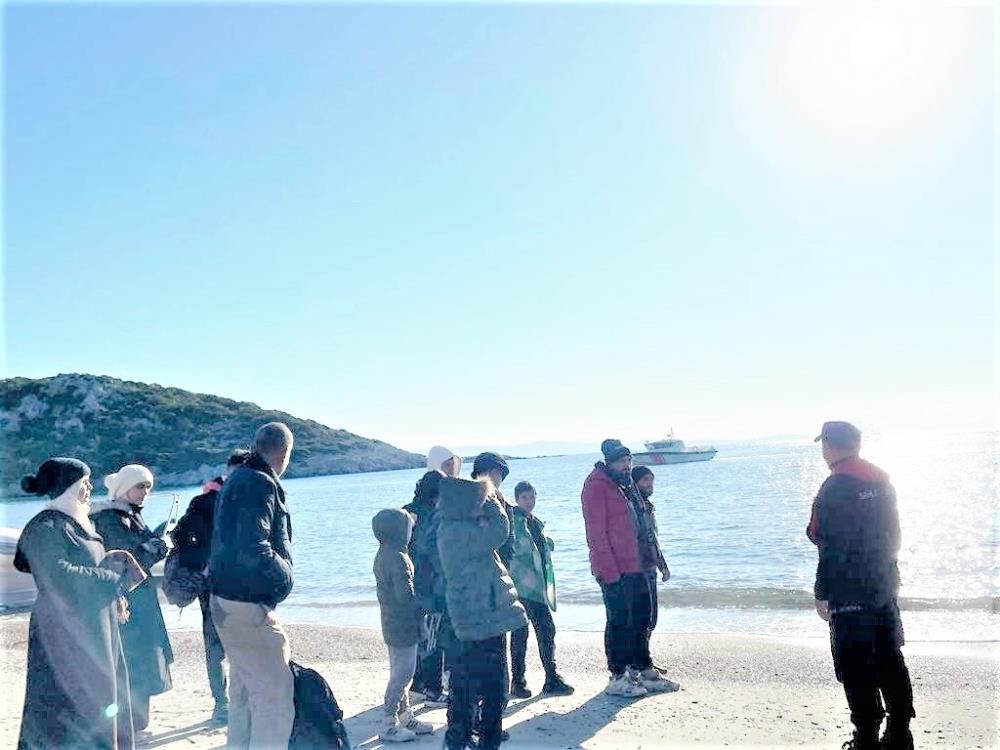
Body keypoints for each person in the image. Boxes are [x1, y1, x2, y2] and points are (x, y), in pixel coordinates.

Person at [15, 458, 144, 750]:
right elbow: (56, 574)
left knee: (99, 697)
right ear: (69, 487)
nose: (89, 488)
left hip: (93, 625)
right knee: (69, 704)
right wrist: (110, 577)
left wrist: (113, 579)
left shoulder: (74, 522)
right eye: (84, 482)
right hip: (63, 631)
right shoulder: (46, 526)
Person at [807, 422, 915, 750]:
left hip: (848, 589)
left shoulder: (834, 487)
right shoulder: (882, 480)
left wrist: (821, 591)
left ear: (828, 446)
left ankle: (866, 738)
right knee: (889, 656)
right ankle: (899, 733)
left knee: (855, 666)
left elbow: (823, 540)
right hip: (884, 584)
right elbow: (895, 535)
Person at [209, 422, 296, 750]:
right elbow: (253, 545)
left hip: (225, 600)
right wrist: (283, 577)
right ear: (284, 453)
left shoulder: (238, 478)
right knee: (275, 700)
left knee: (244, 693)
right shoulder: (259, 482)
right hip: (248, 605)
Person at [581, 439, 677, 698]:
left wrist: (656, 559)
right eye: (622, 462)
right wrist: (609, 572)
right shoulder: (596, 485)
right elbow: (596, 534)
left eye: (629, 461)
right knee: (619, 622)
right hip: (614, 567)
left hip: (637, 564)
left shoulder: (625, 484)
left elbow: (643, 524)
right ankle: (617, 676)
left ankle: (643, 669)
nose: (627, 466)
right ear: (609, 462)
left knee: (642, 618)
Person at [437, 476, 527, 750]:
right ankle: (483, 741)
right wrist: (493, 502)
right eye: (479, 500)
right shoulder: (460, 531)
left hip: (476, 616)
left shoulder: (452, 527)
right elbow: (501, 530)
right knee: (490, 686)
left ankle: (460, 738)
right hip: (483, 618)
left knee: (467, 682)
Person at [91, 464, 174, 736]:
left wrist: (158, 541)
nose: (145, 492)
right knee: (134, 659)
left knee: (145, 658)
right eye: (140, 486)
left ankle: (136, 722)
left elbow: (139, 554)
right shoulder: (109, 518)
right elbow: (126, 561)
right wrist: (155, 549)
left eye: (148, 487)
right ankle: (129, 724)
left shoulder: (129, 515)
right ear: (124, 488)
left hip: (140, 597)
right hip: (127, 600)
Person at [169, 449, 250, 725]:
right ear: (229, 471)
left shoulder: (252, 501)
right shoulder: (205, 502)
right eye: (237, 473)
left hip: (244, 585)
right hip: (213, 586)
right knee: (215, 647)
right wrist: (204, 563)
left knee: (243, 644)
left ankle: (240, 701)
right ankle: (221, 704)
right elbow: (180, 536)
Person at [372, 508, 435, 743]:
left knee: (400, 671)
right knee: (403, 674)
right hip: (402, 624)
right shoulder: (398, 558)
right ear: (398, 531)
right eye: (408, 528)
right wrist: (425, 607)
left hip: (391, 621)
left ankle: (405, 716)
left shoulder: (385, 553)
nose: (411, 532)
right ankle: (388, 723)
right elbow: (405, 597)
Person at [507, 481, 574, 698]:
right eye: (525, 498)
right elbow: (515, 551)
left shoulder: (534, 522)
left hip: (537, 587)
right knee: (522, 633)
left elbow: (539, 549)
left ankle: (550, 677)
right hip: (521, 586)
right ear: (517, 499)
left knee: (545, 630)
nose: (529, 502)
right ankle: (519, 681)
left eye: (532, 497)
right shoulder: (513, 522)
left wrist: (547, 543)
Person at [403, 469, 450, 707]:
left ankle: (418, 685)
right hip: (431, 583)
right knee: (433, 637)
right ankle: (433, 690)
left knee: (422, 637)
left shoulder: (406, 511)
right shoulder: (435, 514)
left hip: (410, 581)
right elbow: (432, 550)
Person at [631, 467, 672, 645]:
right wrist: (662, 565)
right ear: (635, 483)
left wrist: (662, 565)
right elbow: (647, 539)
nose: (650, 484)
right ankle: (639, 657)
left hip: (649, 565)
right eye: (645, 480)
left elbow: (652, 539)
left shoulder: (646, 506)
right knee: (646, 618)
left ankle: (642, 655)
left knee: (650, 618)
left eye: (651, 480)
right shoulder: (635, 507)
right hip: (639, 567)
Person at [470, 452, 515, 569]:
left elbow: (509, 545)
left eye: (498, 473)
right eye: (488, 472)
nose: (493, 477)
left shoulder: (506, 505)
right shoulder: (469, 502)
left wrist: (505, 570)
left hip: (499, 568)